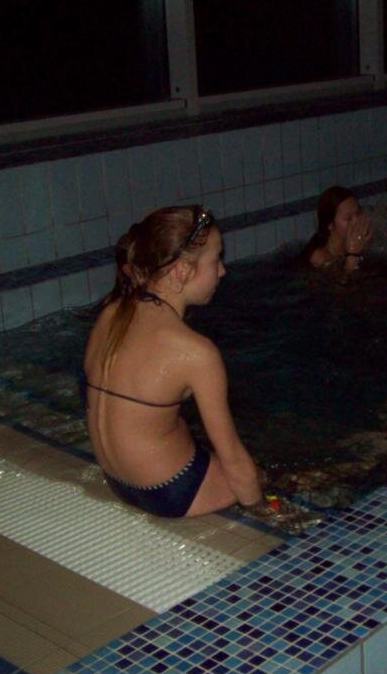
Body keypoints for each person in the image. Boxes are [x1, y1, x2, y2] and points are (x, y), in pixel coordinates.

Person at [83, 205, 320, 531]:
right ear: (183, 271)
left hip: (118, 480)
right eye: (216, 259)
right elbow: (233, 457)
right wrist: (265, 510)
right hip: (171, 491)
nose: (222, 271)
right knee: (274, 473)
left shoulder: (111, 314)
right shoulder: (195, 352)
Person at [303, 186, 372, 271]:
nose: (356, 221)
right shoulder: (320, 258)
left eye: (358, 213)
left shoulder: (357, 242)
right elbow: (346, 279)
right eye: (349, 218)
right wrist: (353, 254)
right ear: (330, 224)